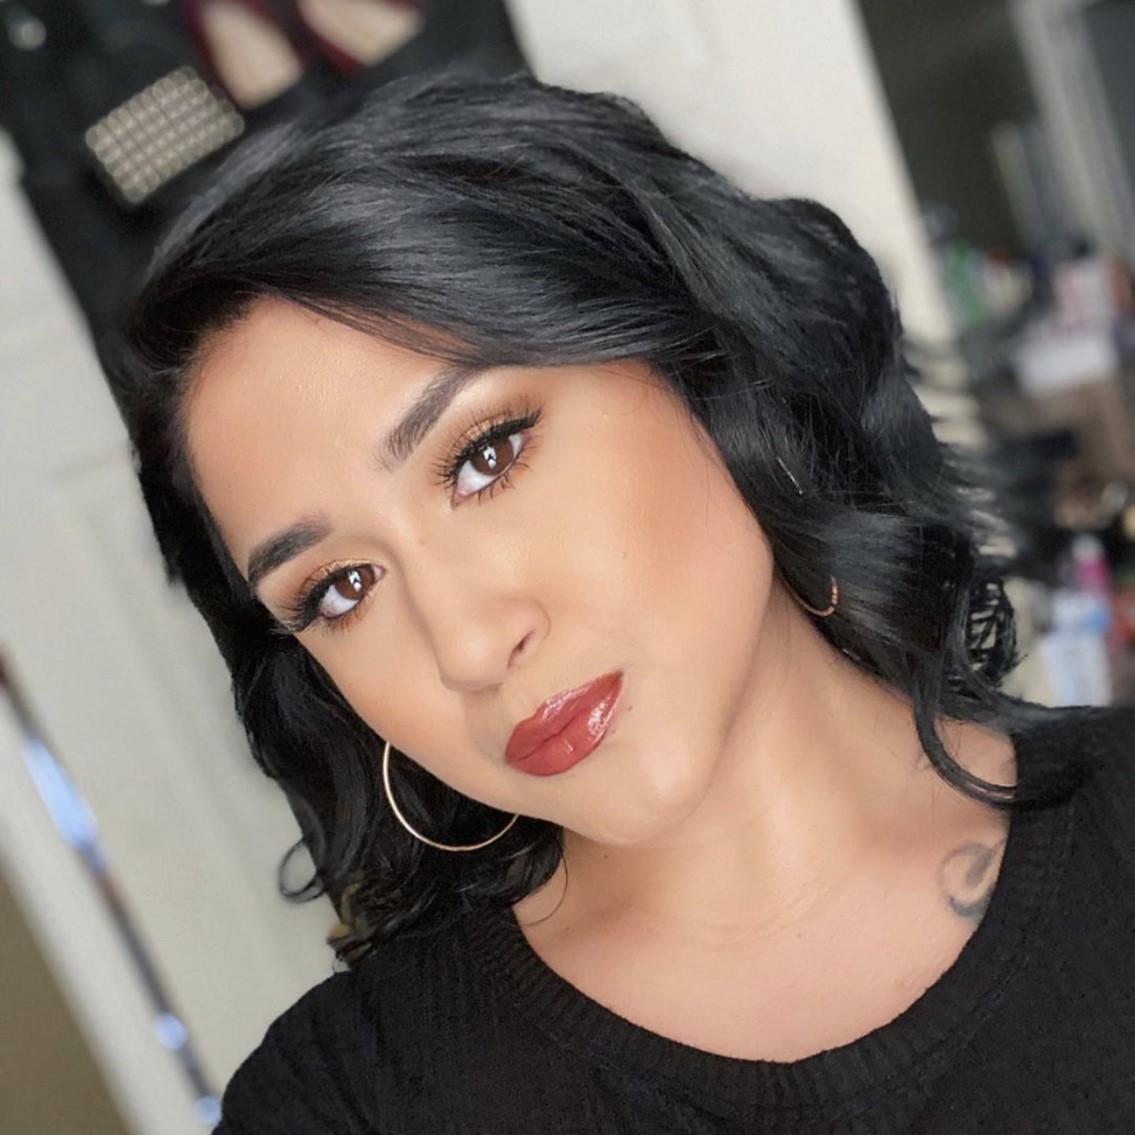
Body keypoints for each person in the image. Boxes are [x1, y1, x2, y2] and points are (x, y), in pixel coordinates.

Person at [105, 71, 1135, 1134]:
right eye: (339, 589)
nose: (467, 644)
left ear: (704, 364)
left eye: (484, 456)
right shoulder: (344, 1105)